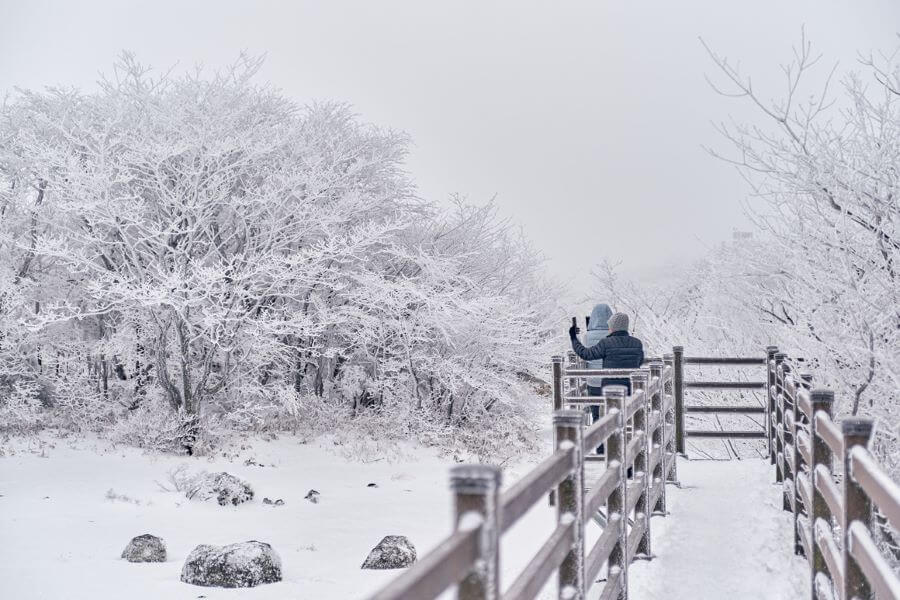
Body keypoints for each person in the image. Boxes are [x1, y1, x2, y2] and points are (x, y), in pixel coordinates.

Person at [569, 311, 644, 397]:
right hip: (632, 389)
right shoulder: (637, 343)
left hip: (610, 390)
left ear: (613, 327)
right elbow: (640, 361)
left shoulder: (606, 343)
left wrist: (573, 337)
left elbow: (585, 354)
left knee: (611, 410)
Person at [583, 303, 613, 422]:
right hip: (611, 380)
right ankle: (611, 439)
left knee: (596, 416)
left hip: (593, 381)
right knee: (611, 415)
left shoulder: (587, 336)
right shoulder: (614, 336)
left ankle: (597, 439)